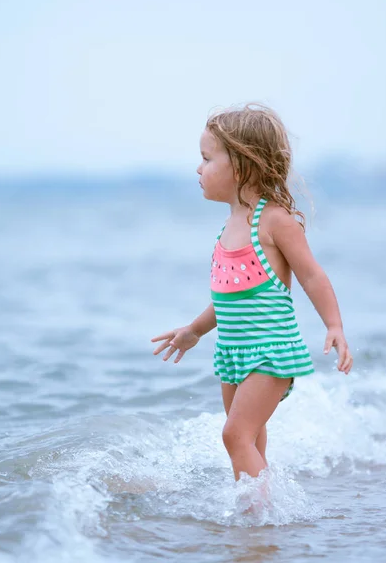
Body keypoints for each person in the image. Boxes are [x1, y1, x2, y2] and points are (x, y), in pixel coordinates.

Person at [151, 104, 353, 480]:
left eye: (207, 158)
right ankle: (257, 515)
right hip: (234, 352)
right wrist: (194, 330)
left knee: (234, 435)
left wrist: (334, 325)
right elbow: (229, 299)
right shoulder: (228, 226)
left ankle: (258, 515)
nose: (199, 168)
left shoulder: (274, 221)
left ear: (242, 165)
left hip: (271, 351)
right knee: (250, 438)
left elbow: (311, 276)